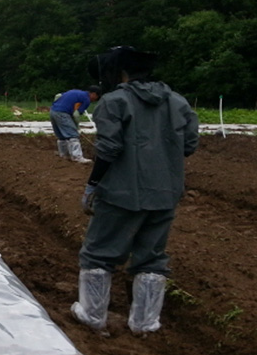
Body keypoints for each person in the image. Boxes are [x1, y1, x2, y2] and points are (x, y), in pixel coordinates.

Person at [73, 46, 199, 336]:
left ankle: (93, 316)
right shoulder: (178, 102)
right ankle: (144, 323)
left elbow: (109, 148)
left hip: (121, 192)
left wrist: (92, 184)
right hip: (165, 193)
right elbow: (190, 145)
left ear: (120, 72)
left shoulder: (114, 102)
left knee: (99, 252)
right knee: (152, 257)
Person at [50, 86, 101, 162]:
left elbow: (58, 96)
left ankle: (64, 155)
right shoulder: (86, 99)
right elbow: (76, 115)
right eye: (97, 97)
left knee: (61, 136)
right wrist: (76, 127)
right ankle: (77, 157)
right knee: (73, 135)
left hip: (53, 111)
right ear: (93, 94)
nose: (95, 100)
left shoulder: (75, 92)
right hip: (63, 113)